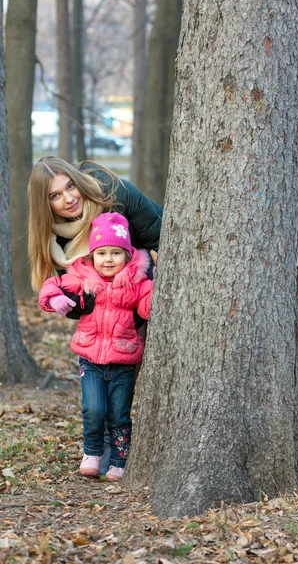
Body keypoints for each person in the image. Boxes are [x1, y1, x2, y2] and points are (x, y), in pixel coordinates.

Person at [38, 212, 153, 481]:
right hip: (90, 360)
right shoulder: (83, 277)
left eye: (116, 252)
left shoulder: (137, 283)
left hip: (123, 362)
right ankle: (91, 453)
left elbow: (148, 308)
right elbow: (52, 284)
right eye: (102, 253)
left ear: (127, 255)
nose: (109, 259)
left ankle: (119, 461)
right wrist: (54, 298)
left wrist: (156, 289)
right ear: (92, 256)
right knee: (93, 409)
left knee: (119, 415)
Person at [28, 156, 162, 293]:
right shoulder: (53, 239)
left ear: (77, 181)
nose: (69, 199)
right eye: (55, 196)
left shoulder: (114, 192)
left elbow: (158, 243)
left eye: (70, 186)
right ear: (45, 205)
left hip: (145, 281)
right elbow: (70, 294)